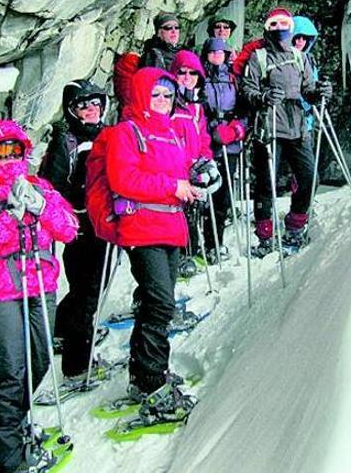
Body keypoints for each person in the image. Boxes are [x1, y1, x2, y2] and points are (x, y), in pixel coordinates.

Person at [0, 120, 78, 473]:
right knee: (10, 371)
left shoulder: (39, 186)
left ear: (25, 150)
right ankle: (9, 460)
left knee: (38, 361)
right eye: (2, 150)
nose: (10, 156)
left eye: (16, 149)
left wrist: (41, 207)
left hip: (40, 283)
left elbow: (69, 229)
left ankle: (9, 424)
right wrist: (9, 216)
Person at [98, 67, 203, 424]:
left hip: (170, 227)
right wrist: (172, 187)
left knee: (153, 305)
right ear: (142, 95)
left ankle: (144, 377)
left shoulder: (172, 133)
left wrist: (195, 177)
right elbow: (123, 178)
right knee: (160, 304)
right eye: (156, 95)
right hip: (142, 227)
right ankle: (154, 383)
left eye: (168, 96)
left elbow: (180, 172)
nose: (162, 101)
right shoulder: (127, 132)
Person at [240, 8, 332, 257]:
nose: (279, 28)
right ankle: (265, 236)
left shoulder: (300, 58)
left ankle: (295, 224)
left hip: (297, 127)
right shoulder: (259, 58)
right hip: (269, 128)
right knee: (266, 185)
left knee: (309, 178)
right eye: (274, 23)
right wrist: (263, 97)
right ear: (267, 28)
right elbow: (247, 90)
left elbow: (308, 91)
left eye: (284, 23)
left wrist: (320, 92)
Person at [38, 80, 111, 384]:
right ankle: (76, 365)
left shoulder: (105, 135)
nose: (91, 110)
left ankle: (63, 328)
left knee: (93, 284)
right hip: (81, 226)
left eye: (95, 103)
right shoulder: (65, 143)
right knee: (87, 292)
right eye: (83, 105)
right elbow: (52, 187)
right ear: (72, 110)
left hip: (102, 222)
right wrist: (73, 215)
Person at [169, 50, 218, 268]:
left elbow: (203, 138)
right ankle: (177, 260)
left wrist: (207, 160)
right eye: (182, 72)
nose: (187, 77)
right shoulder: (167, 104)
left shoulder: (196, 106)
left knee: (194, 213)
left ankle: (190, 254)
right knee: (177, 217)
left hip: (194, 168)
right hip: (175, 172)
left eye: (193, 73)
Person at [201, 37, 247, 261]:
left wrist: (236, 130)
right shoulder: (200, 79)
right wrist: (210, 131)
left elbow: (246, 110)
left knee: (222, 198)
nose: (217, 56)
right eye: (213, 52)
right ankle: (197, 243)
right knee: (204, 196)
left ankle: (214, 243)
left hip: (230, 144)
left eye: (221, 52)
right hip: (207, 144)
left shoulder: (234, 79)